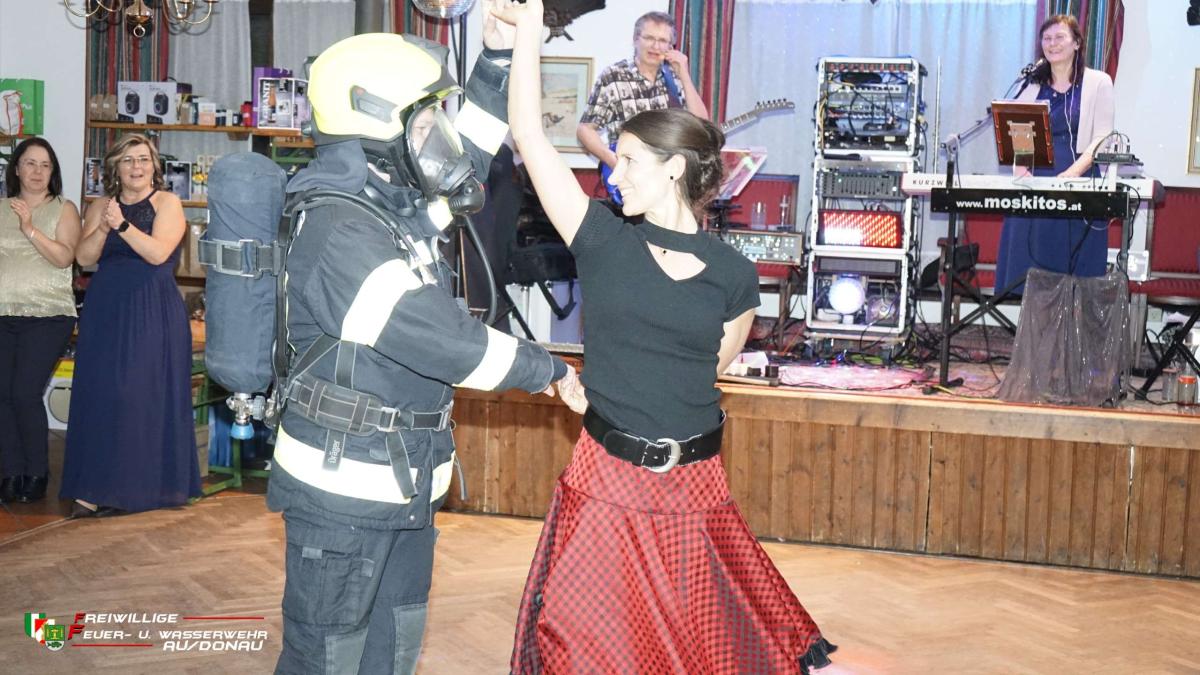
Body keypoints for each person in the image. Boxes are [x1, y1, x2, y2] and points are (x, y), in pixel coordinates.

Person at [496, 1, 835, 672]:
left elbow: (708, 369)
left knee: (699, 653)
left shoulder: (734, 276)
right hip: (605, 478)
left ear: (675, 168)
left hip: (696, 489)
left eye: (628, 161)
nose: (613, 174)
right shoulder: (600, 237)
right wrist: (530, 30)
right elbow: (530, 135)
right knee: (586, 648)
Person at [265, 22, 572, 674]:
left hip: (401, 485)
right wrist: (546, 370)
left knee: (392, 653)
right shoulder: (340, 231)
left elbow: (470, 159)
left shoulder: (389, 209)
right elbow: (444, 341)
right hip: (343, 497)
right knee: (327, 660)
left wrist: (493, 56)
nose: (440, 135)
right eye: (426, 120)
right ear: (377, 126)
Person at [60, 133, 200, 517]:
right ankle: (91, 489)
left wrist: (121, 225)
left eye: (143, 159)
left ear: (154, 166)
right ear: (115, 168)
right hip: (106, 307)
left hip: (151, 306)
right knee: (100, 393)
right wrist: (104, 227)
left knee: (135, 395)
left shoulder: (167, 203)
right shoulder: (100, 206)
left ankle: (133, 489)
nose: (136, 167)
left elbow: (158, 253)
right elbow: (84, 257)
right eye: (128, 160)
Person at [993, 14, 1115, 294]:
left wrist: (1072, 174)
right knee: (1031, 265)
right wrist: (1022, 173)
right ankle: (1033, 319)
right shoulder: (1030, 85)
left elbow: (1102, 137)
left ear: (1077, 43)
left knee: (1076, 272)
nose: (1052, 43)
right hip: (1036, 182)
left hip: (1080, 179)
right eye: (1046, 38)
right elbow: (1020, 136)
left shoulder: (1099, 82)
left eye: (1060, 37)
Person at [0, 138, 81, 504]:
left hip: (48, 315)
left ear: (52, 172)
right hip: (4, 312)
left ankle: (36, 472)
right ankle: (11, 472)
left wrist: (30, 227)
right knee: (3, 395)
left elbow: (65, 258)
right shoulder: (1, 208)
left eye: (44, 165)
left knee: (24, 393)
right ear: (16, 168)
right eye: (30, 163)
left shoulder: (63, 209)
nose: (36, 171)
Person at [576, 11, 709, 182]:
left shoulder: (676, 78)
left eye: (663, 41)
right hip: (629, 178)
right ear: (635, 39)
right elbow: (585, 129)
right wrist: (613, 161)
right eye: (649, 38)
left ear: (671, 47)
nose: (655, 46)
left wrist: (684, 74)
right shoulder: (613, 76)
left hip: (667, 179)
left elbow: (702, 126)